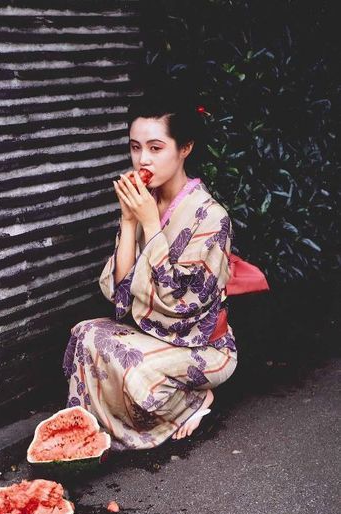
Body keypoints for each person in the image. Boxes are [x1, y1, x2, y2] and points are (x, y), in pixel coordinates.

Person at [62, 84, 239, 451]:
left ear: (184, 148)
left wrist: (151, 226)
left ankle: (194, 399)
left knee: (135, 373)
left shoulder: (212, 218)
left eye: (156, 148)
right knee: (84, 335)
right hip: (153, 333)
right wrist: (129, 222)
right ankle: (89, 437)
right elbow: (119, 296)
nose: (143, 160)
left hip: (201, 345)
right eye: (135, 146)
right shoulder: (145, 203)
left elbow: (181, 305)